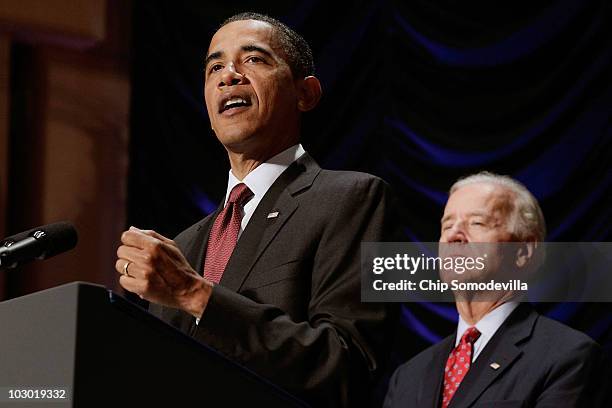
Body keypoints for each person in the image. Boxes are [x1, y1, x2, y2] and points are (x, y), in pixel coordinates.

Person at [115, 12, 395, 407]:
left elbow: (347, 364)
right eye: (215, 67)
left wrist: (195, 294)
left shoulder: (353, 198)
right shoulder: (186, 245)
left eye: (254, 59)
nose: (228, 75)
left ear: (305, 94)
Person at [384, 171, 604, 407]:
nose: (454, 236)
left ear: (523, 251)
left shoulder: (568, 357)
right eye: (447, 225)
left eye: (477, 223)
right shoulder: (407, 376)